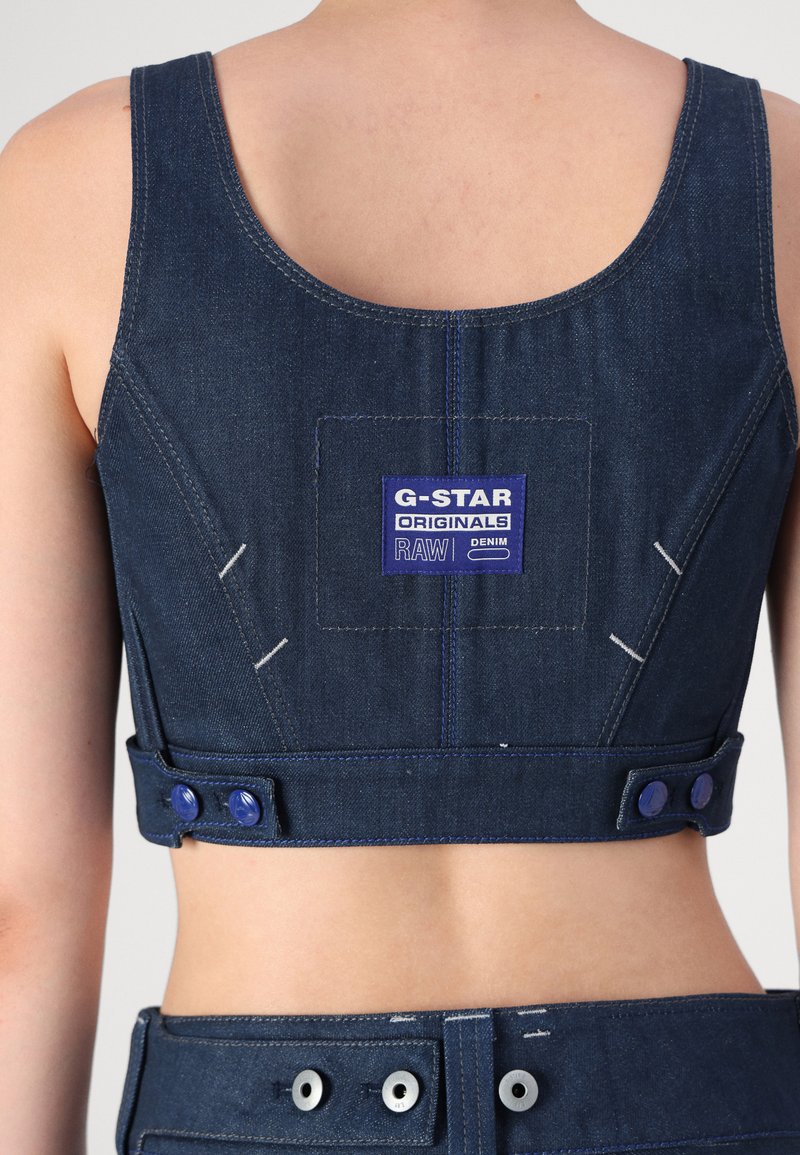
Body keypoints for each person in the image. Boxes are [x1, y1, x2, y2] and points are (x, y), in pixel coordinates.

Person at [2, 1, 800, 1152]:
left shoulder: (74, 181)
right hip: (686, 1106)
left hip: (256, 1116)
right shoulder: (778, 180)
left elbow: (19, 913)